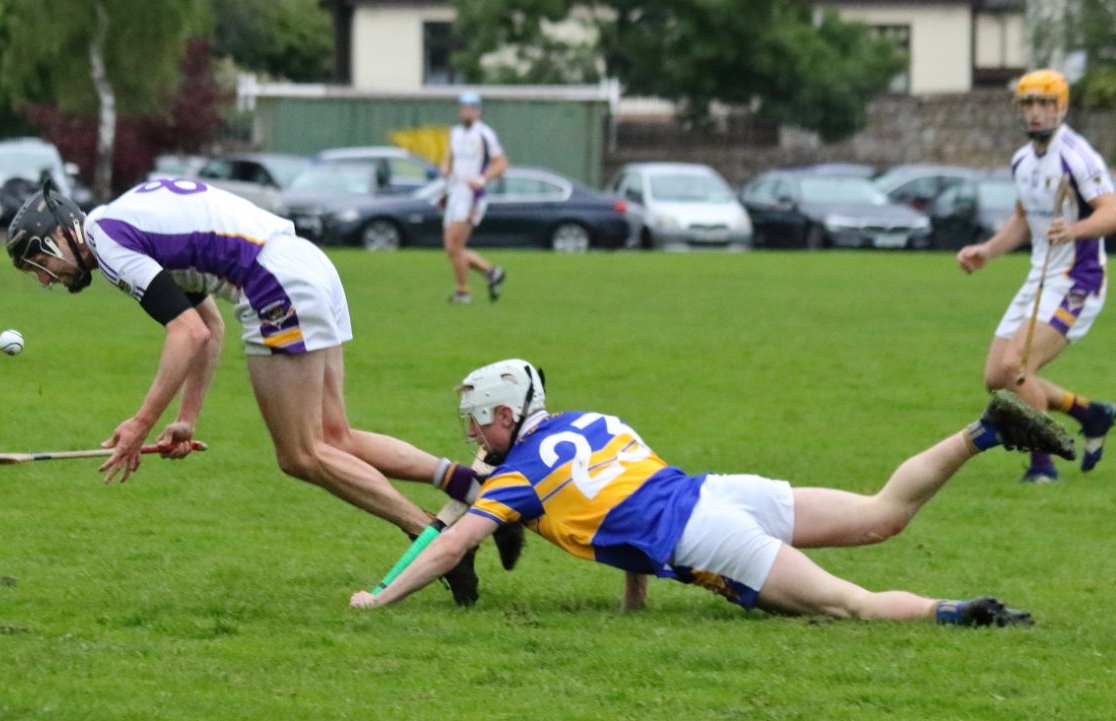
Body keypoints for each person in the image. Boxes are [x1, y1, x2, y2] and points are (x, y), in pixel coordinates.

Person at [4, 179, 496, 605]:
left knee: (300, 455)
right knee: (333, 437)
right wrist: (186, 418)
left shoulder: (106, 242)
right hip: (307, 265)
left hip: (273, 282)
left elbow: (187, 334)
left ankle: (434, 542)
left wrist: (139, 425)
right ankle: (465, 486)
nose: (46, 278)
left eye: (40, 262)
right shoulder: (125, 222)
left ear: (63, 232)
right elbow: (208, 327)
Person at [350, 358, 1073, 626]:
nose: (474, 435)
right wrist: (634, 600)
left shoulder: (515, 477)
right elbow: (619, 501)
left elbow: (452, 545)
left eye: (478, 423)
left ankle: (962, 614)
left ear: (507, 415)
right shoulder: (590, 419)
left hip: (706, 535)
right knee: (883, 512)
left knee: (846, 605)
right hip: (724, 491)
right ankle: (981, 431)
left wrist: (380, 597)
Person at [957, 69, 1116, 484]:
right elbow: (1023, 219)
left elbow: (1111, 212)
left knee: (1016, 364)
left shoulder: (1077, 156)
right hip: (1039, 277)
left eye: (1045, 103)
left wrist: (1075, 230)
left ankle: (1042, 466)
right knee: (997, 378)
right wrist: (987, 251)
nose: (1036, 112)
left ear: (1061, 107)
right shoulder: (1022, 161)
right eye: (1028, 103)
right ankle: (1091, 413)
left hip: (1079, 279)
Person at [440, 92, 508, 304]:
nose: (467, 112)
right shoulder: (455, 133)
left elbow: (501, 164)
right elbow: (449, 160)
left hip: (472, 196)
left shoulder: (485, 134)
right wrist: (445, 169)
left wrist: (481, 179)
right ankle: (491, 271)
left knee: (455, 246)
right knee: (451, 248)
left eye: (471, 108)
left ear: (478, 111)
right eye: (464, 108)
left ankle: (463, 292)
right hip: (455, 193)